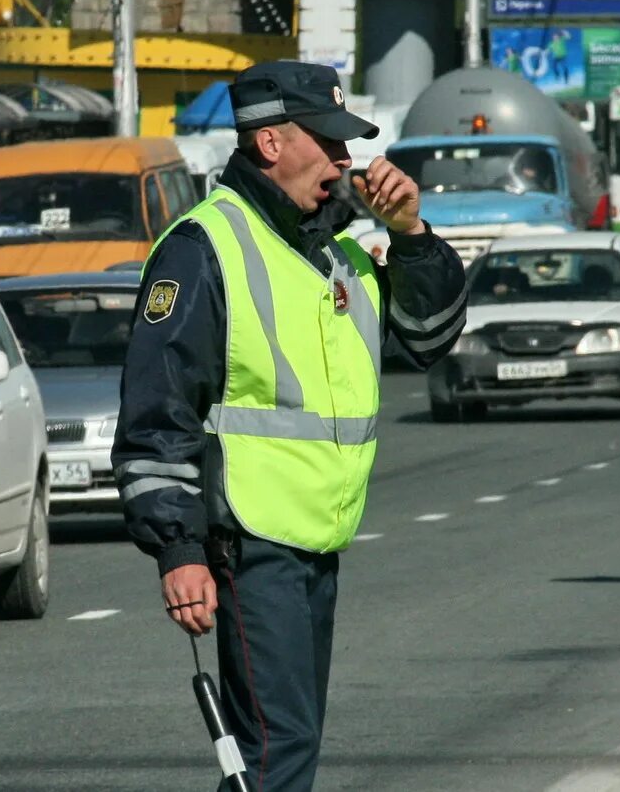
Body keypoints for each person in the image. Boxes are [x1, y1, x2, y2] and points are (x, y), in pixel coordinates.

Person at [112, 61, 467, 791]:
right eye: (330, 142)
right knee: (279, 749)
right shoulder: (204, 247)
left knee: (282, 747)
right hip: (251, 541)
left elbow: (429, 339)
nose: (346, 160)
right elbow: (159, 412)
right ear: (270, 143)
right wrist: (178, 547)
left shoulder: (332, 250)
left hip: (316, 539)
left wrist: (412, 234)